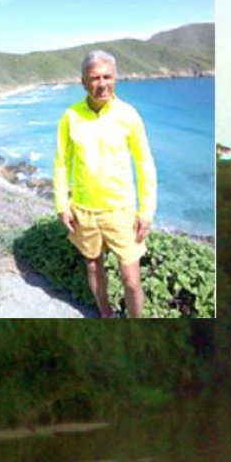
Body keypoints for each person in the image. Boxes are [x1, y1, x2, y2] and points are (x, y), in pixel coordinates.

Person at [53, 50, 157, 318]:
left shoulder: (129, 115)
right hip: (84, 210)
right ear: (83, 82)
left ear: (115, 78)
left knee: (131, 280)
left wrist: (146, 212)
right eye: (95, 78)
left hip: (121, 210)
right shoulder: (70, 117)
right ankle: (106, 315)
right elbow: (62, 163)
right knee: (92, 267)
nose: (102, 84)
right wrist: (62, 206)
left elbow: (144, 164)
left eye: (107, 77)